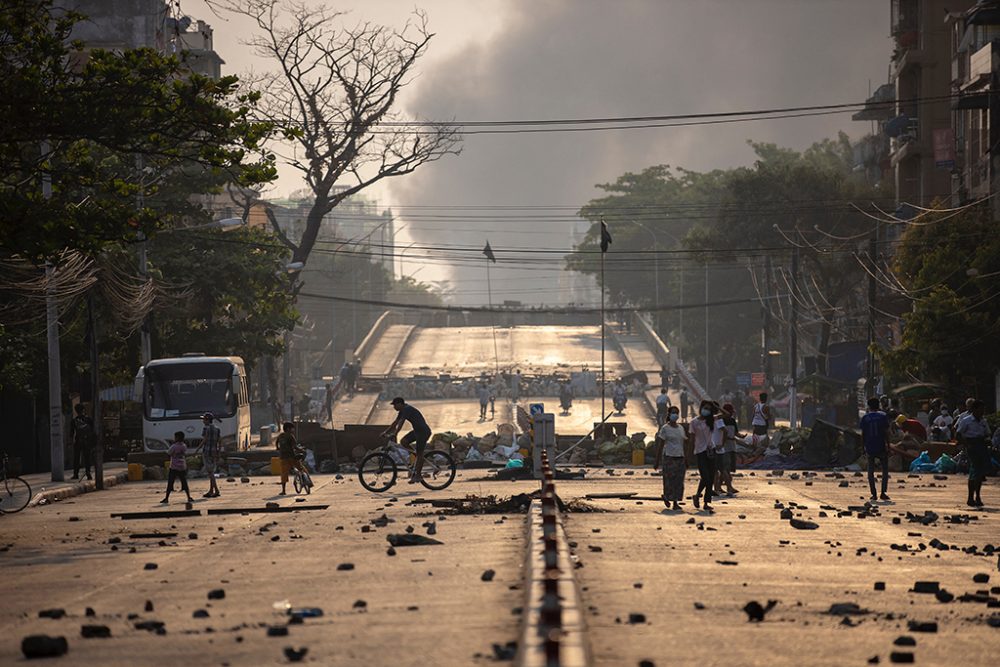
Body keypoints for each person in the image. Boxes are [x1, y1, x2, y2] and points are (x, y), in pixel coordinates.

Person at [383, 397, 432, 484]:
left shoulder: (407, 409)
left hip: (423, 432)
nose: (394, 407)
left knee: (420, 453)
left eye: (395, 405)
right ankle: (416, 457)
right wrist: (386, 432)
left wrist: (396, 433)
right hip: (417, 431)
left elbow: (401, 422)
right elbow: (396, 422)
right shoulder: (402, 411)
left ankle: (418, 475)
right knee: (404, 442)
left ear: (400, 404)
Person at [955, 399, 990, 508]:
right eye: (980, 410)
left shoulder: (983, 422)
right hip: (971, 446)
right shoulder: (966, 420)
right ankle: (971, 497)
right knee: (974, 470)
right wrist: (967, 445)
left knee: (980, 473)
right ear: (974, 409)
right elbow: (958, 434)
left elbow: (987, 433)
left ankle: (977, 496)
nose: (982, 412)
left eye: (983, 410)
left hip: (981, 445)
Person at [655, 406, 687, 510]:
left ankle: (675, 502)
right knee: (669, 480)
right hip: (669, 457)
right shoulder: (665, 428)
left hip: (680, 457)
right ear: (669, 414)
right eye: (673, 412)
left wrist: (686, 458)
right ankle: (667, 496)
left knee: (679, 481)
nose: (675, 415)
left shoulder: (681, 428)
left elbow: (684, 443)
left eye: (677, 412)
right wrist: (657, 461)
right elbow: (660, 445)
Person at [860, 397, 891, 502]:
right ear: (878, 405)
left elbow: (863, 434)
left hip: (870, 446)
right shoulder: (883, 417)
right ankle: (883, 492)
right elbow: (886, 432)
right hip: (881, 446)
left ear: (869, 406)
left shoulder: (865, 418)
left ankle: (873, 494)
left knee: (870, 470)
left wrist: (863, 447)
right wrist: (889, 445)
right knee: (885, 470)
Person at [689, 400, 717, 510]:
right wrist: (689, 455)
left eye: (709, 409)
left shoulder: (712, 420)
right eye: (705, 408)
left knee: (711, 477)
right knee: (705, 476)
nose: (707, 411)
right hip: (700, 452)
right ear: (701, 408)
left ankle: (706, 502)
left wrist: (716, 407)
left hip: (711, 451)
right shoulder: (694, 422)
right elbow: (691, 440)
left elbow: (727, 415)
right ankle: (697, 495)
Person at [161, 431, 194, 504]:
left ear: (177, 438)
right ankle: (188, 497)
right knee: (184, 482)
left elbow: (169, 453)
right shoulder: (184, 446)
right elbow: (185, 454)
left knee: (170, 483)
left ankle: (166, 498)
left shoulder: (174, 446)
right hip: (182, 466)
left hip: (174, 467)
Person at [715, 403, 739, 496]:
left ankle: (720, 487)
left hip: (731, 447)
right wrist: (722, 443)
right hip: (723, 448)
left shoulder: (732, 421)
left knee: (726, 469)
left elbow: (735, 433)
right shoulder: (719, 420)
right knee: (725, 469)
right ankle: (726, 487)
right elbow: (725, 434)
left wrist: (743, 438)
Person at [276, 422, 303, 496]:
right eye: (292, 428)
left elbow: (277, 442)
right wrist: (301, 450)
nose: (293, 429)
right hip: (291, 456)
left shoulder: (280, 435)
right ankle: (305, 481)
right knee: (300, 468)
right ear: (288, 429)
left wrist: (278, 448)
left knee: (284, 474)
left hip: (283, 457)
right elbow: (295, 446)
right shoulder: (290, 436)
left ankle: (283, 491)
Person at [200, 413, 223, 498]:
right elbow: (220, 441)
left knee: (210, 472)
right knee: (211, 472)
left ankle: (216, 490)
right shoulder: (217, 429)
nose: (203, 421)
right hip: (214, 452)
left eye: (204, 419)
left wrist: (197, 449)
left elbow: (204, 440)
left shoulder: (206, 428)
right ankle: (211, 490)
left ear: (207, 420)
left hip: (207, 452)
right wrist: (219, 452)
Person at [70, 404, 95, 481]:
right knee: (87, 458)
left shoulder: (74, 420)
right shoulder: (88, 419)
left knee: (76, 458)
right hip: (87, 441)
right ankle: (88, 474)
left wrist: (70, 442)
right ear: (83, 410)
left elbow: (71, 433)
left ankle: (75, 474)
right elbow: (93, 430)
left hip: (78, 441)